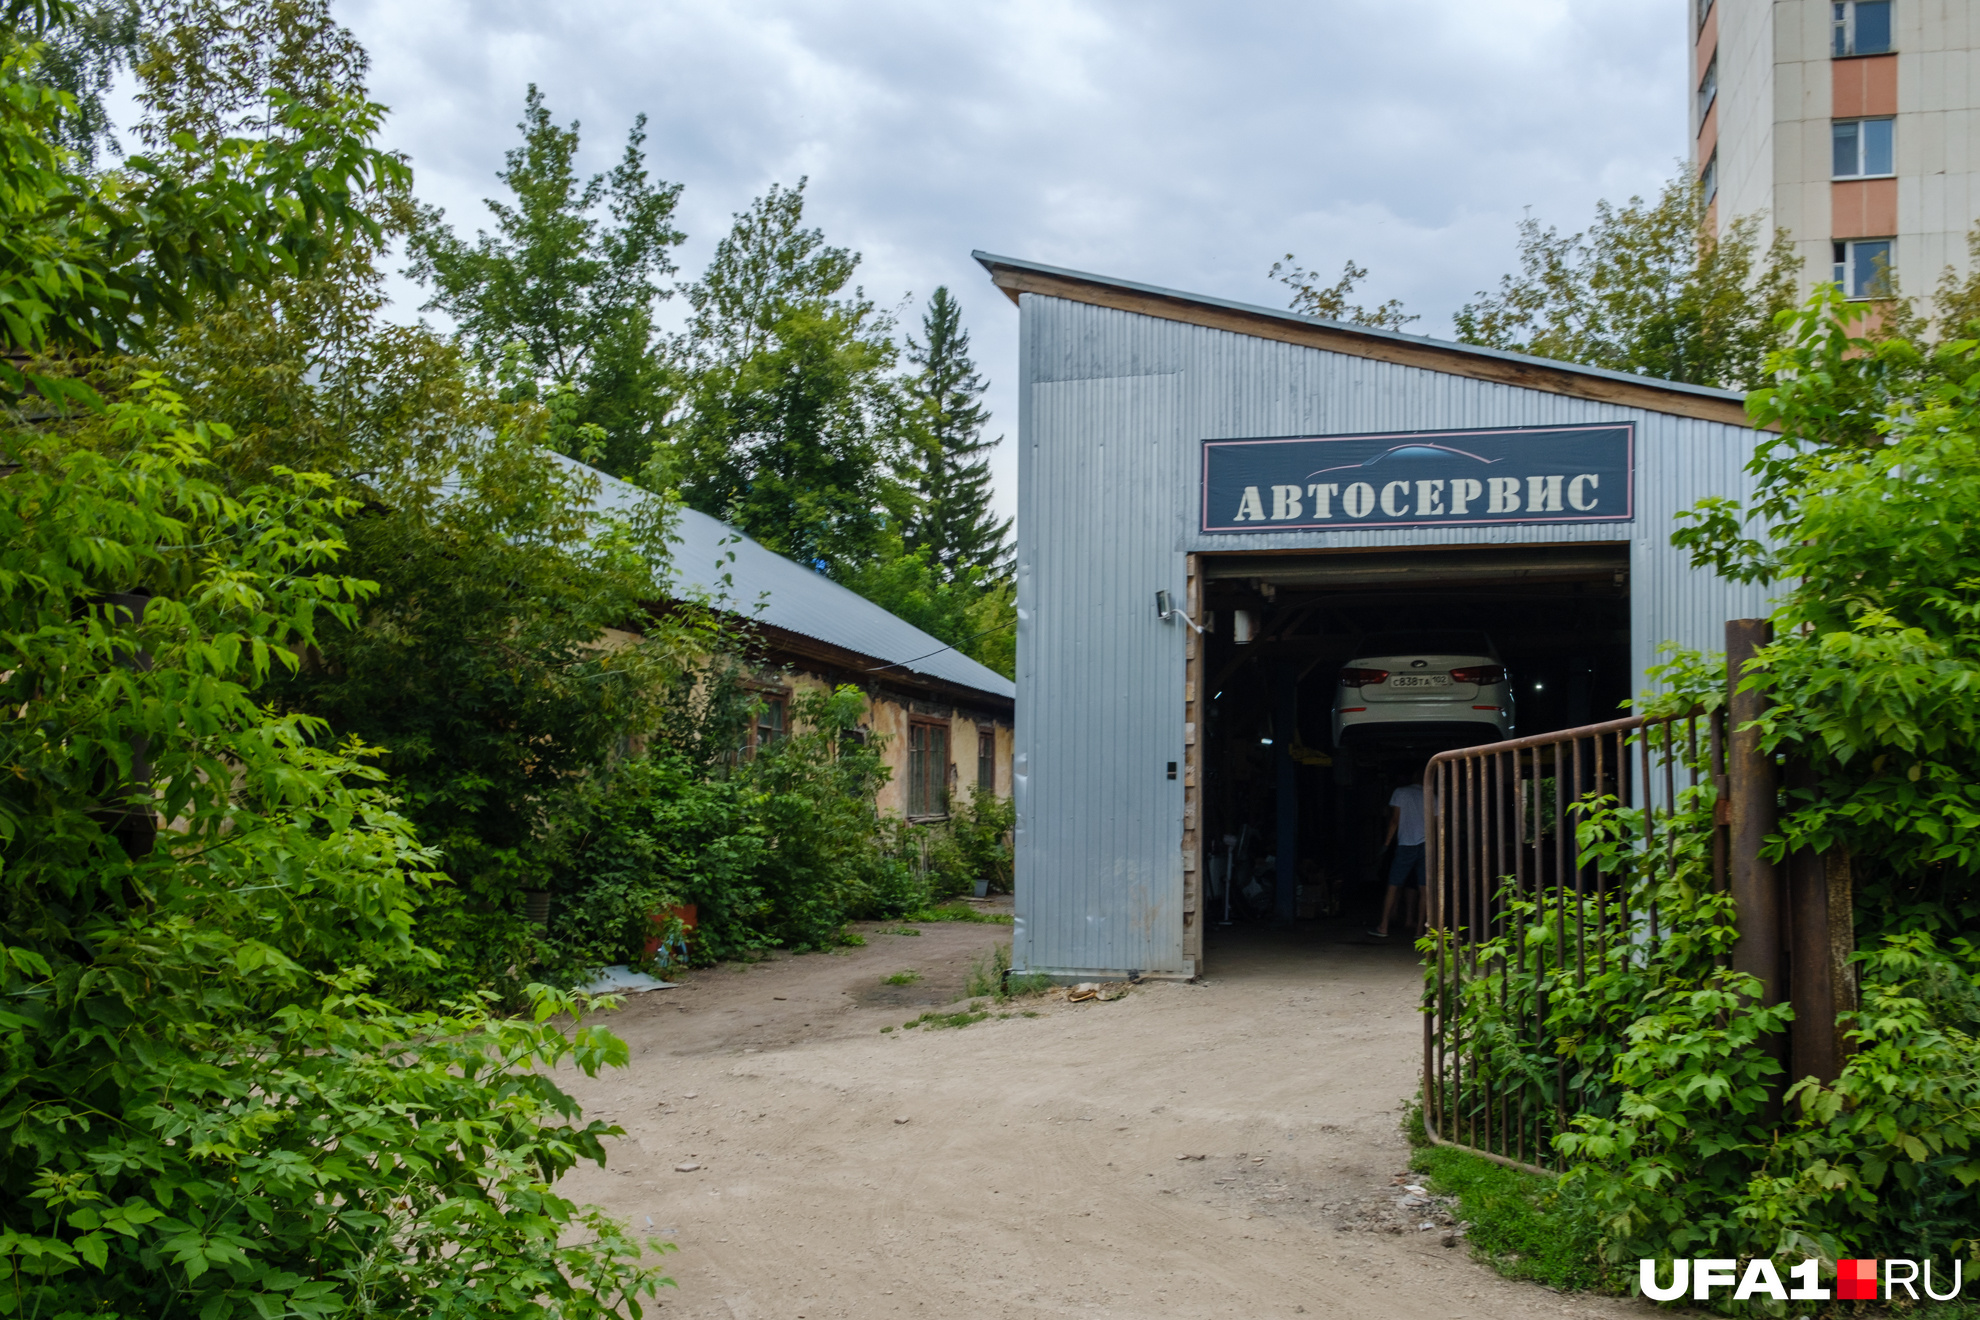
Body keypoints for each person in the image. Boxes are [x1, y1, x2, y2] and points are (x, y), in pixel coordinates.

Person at [1368, 771, 1426, 939]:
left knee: (1393, 885)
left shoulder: (1400, 792)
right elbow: (1437, 825)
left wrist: (1386, 844)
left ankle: (1383, 927)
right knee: (1425, 889)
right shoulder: (1432, 795)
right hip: (1426, 845)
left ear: (1413, 778)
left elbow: (1394, 820)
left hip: (1406, 844)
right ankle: (1420, 931)